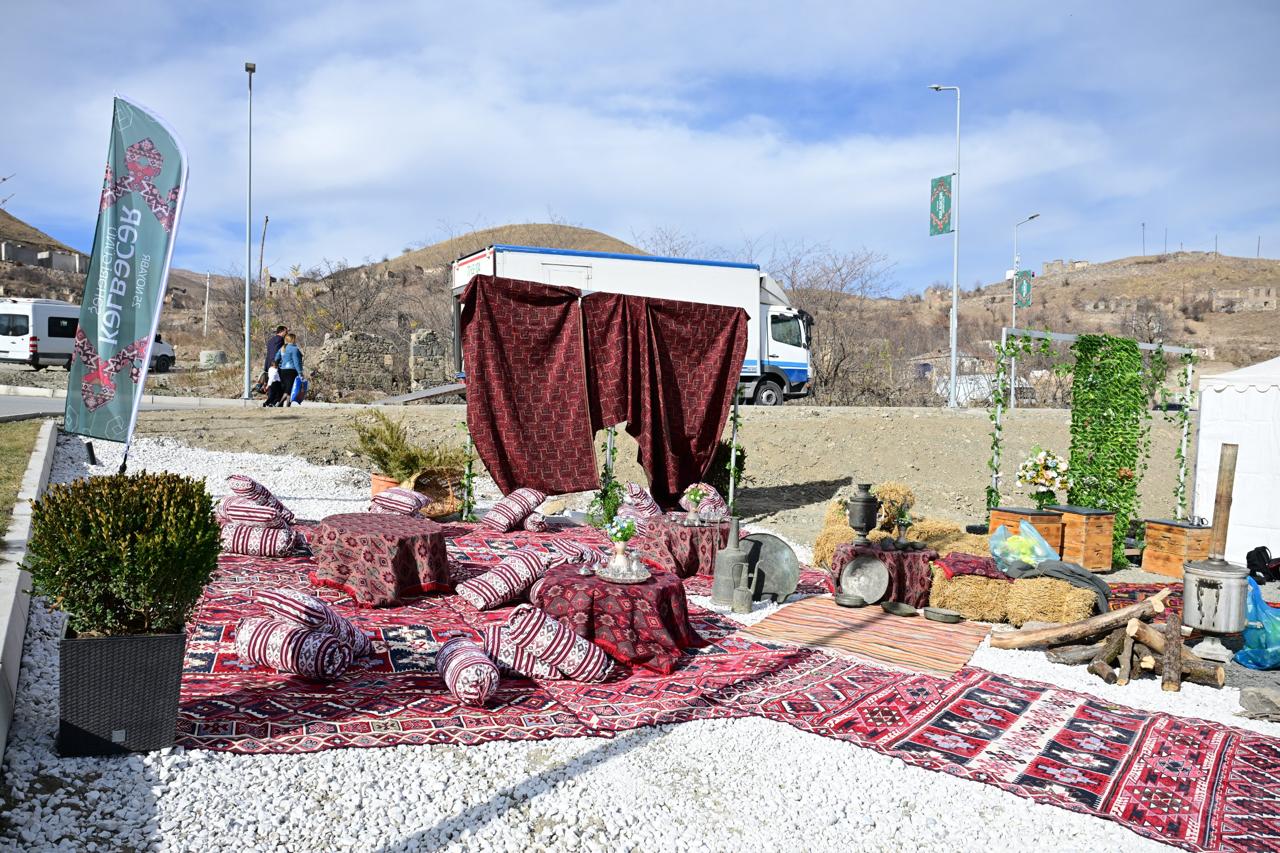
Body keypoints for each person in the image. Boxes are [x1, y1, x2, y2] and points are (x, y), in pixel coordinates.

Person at [275, 332, 305, 406]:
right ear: (293, 339)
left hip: (283, 371)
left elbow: (276, 358)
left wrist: (280, 365)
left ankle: (288, 404)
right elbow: (296, 362)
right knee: (290, 389)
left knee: (288, 389)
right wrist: (300, 372)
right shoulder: (294, 349)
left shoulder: (282, 348)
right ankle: (282, 403)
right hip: (291, 371)